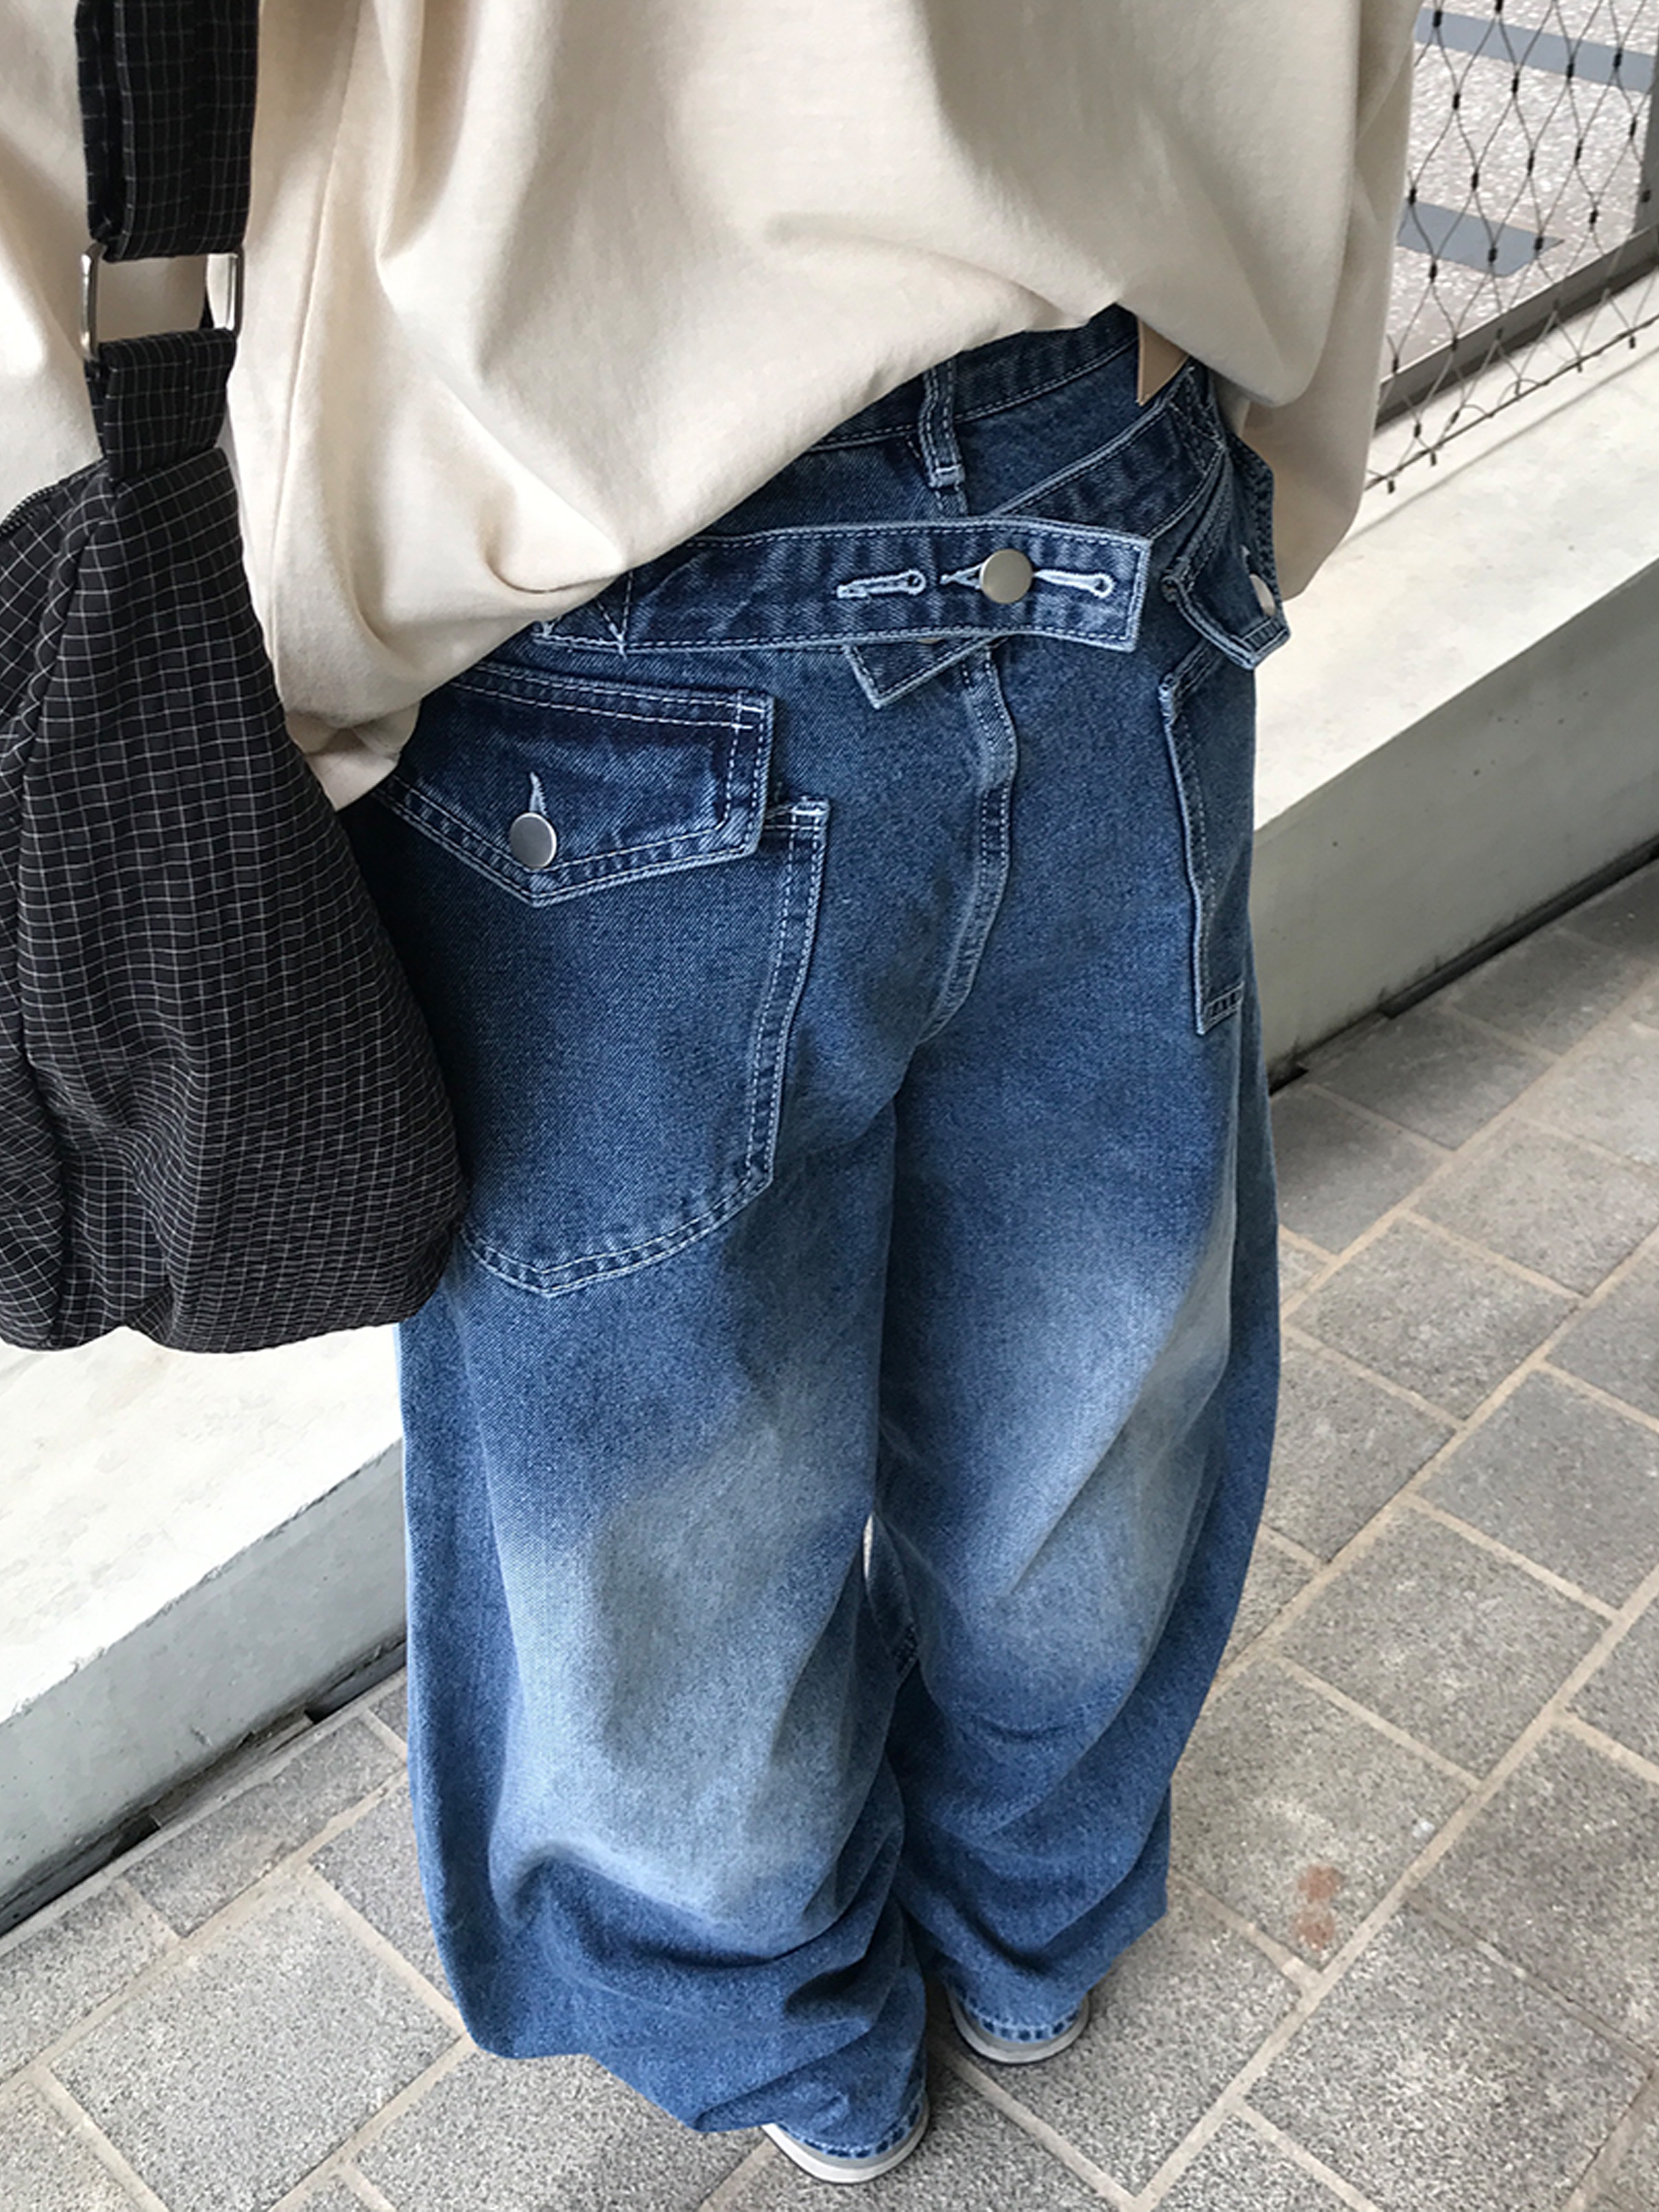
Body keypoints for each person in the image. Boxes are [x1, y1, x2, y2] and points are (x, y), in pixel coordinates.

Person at [3, 1, 1419, 2183]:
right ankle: (1030, 1921)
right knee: (1102, 1369)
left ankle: (787, 2036)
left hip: (574, 521)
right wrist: (1285, 416)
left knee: (655, 1516)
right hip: (1116, 447)